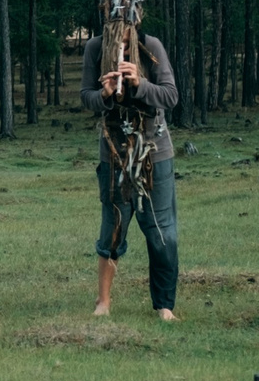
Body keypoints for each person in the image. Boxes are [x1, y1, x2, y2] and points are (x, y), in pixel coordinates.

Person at [78, 17, 183, 320]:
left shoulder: (151, 47)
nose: (121, 44)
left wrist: (140, 83)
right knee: (113, 227)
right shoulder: (94, 48)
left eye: (126, 39)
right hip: (114, 152)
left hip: (155, 151)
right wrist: (105, 95)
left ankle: (164, 306)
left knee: (162, 230)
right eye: (116, 40)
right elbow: (87, 97)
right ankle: (103, 302)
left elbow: (170, 96)